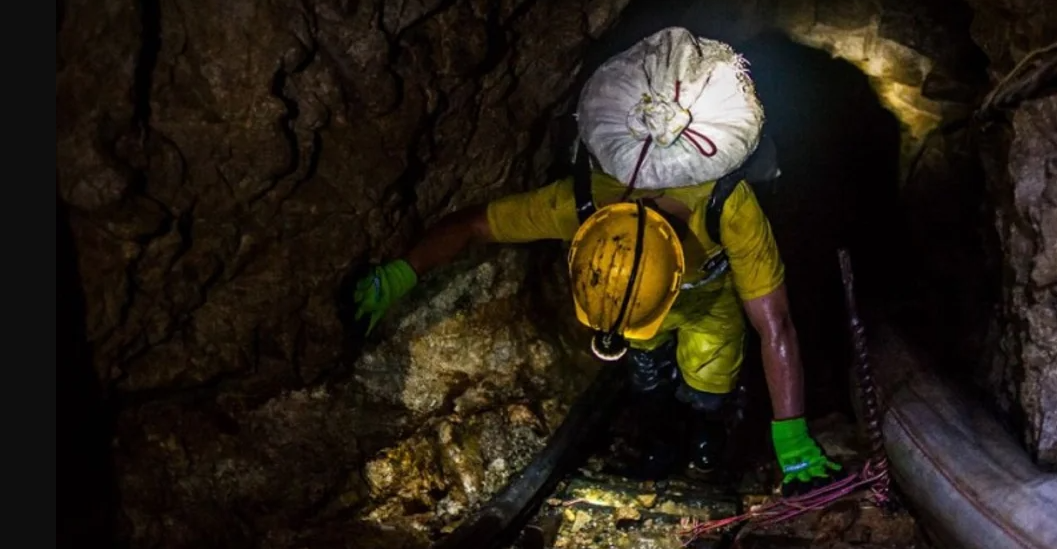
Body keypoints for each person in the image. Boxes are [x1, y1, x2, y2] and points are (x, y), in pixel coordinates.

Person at [352, 148, 844, 496]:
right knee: (647, 379)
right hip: (637, 313)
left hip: (710, 309)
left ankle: (707, 443)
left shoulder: (728, 207)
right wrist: (401, 273)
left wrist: (792, 435)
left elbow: (775, 324)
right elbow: (474, 223)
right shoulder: (582, 201)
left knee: (708, 389)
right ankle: (661, 445)